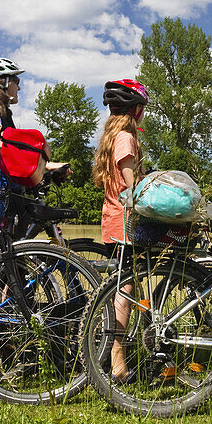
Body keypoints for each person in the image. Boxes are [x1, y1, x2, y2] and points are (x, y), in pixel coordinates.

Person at [91, 79, 148, 381]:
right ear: (135, 110)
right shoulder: (126, 138)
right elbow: (132, 185)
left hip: (114, 219)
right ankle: (117, 360)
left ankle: (114, 354)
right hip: (125, 223)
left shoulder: (112, 136)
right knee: (124, 291)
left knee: (125, 286)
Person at [0, 56, 69, 178]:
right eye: (16, 82)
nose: (19, 88)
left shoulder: (1, 113)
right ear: (4, 83)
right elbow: (0, 148)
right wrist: (45, 165)